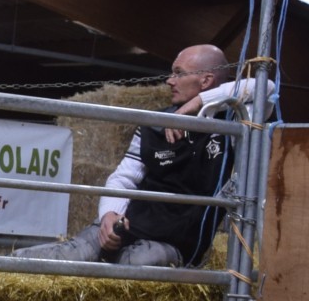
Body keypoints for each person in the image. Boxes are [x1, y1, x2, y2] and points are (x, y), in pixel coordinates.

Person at [17, 43, 255, 268]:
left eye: (178, 73)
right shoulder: (153, 123)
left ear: (206, 80)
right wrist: (109, 214)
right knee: (76, 252)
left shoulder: (235, 122)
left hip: (175, 244)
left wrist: (197, 104)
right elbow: (124, 178)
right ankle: (3, 264)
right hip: (131, 226)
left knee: (137, 263)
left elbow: (265, 88)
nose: (169, 80)